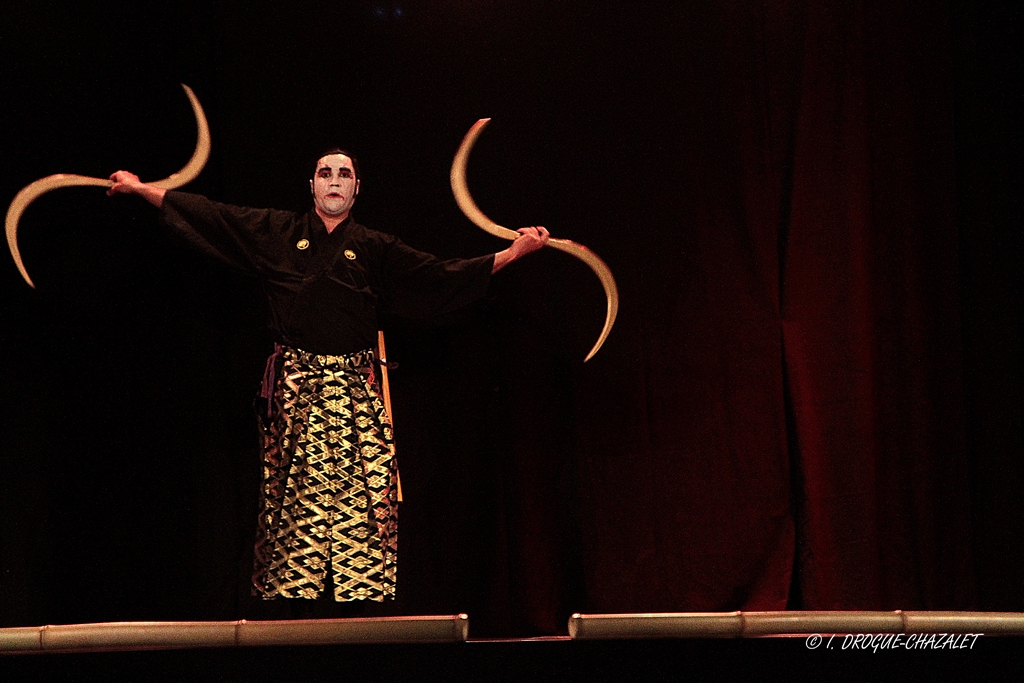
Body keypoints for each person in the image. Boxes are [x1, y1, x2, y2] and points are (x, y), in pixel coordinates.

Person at [107, 150, 548, 613]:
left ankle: (366, 613)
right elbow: (215, 217)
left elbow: (437, 277)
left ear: (357, 188)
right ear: (312, 186)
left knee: (368, 504)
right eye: (325, 173)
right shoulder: (278, 232)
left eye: (345, 174)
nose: (334, 181)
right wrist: (141, 190)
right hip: (297, 391)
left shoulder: (377, 247)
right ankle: (290, 615)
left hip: (357, 390)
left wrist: (513, 253)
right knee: (291, 508)